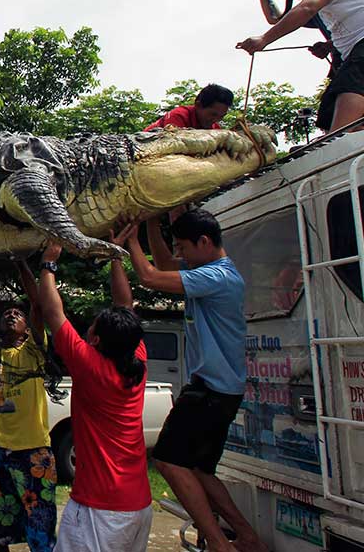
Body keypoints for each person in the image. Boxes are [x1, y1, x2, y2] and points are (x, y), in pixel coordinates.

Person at [124, 209, 266, 552]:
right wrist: (152, 223)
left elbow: (148, 276)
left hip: (210, 390)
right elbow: (162, 261)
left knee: (168, 460)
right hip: (220, 390)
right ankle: (247, 537)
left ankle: (219, 543)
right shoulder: (209, 270)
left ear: (204, 242)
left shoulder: (217, 277)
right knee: (201, 470)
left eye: (184, 247)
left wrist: (128, 238)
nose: (181, 255)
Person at [36, 237, 152, 552]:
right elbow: (125, 306)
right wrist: (116, 255)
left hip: (100, 511)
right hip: (138, 505)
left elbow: (52, 312)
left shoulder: (90, 366)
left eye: (92, 327)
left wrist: (48, 262)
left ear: (97, 340)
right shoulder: (135, 360)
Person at [0, 261, 57, 552]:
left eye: (17, 314)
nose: (11, 314)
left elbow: (37, 303)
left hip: (35, 453)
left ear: (26, 327)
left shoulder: (33, 350)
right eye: (7, 313)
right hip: (2, 452)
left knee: (40, 531)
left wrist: (22, 263)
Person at [238, 0, 364, 132]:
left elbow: (307, 8)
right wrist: (329, 46)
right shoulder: (326, 1)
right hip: (353, 52)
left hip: (360, 51)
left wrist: (265, 39)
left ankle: (337, 141)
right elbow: (279, 18)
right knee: (329, 112)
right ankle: (340, 137)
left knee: (350, 86)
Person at [252, 0, 341, 69]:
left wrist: (264, 39)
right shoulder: (320, 10)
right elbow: (277, 19)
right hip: (346, 59)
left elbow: (306, 9)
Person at [144, 84, 235, 131]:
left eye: (221, 116)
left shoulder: (215, 128)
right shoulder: (178, 116)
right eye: (213, 114)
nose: (215, 120)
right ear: (198, 105)